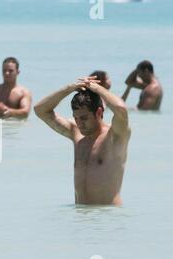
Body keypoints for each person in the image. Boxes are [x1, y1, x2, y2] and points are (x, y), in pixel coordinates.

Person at [34, 76, 131, 205]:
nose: (80, 123)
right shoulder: (76, 135)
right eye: (76, 118)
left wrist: (97, 88)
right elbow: (40, 110)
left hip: (108, 217)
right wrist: (70, 88)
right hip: (81, 220)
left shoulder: (115, 136)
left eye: (84, 118)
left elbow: (121, 109)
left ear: (98, 112)